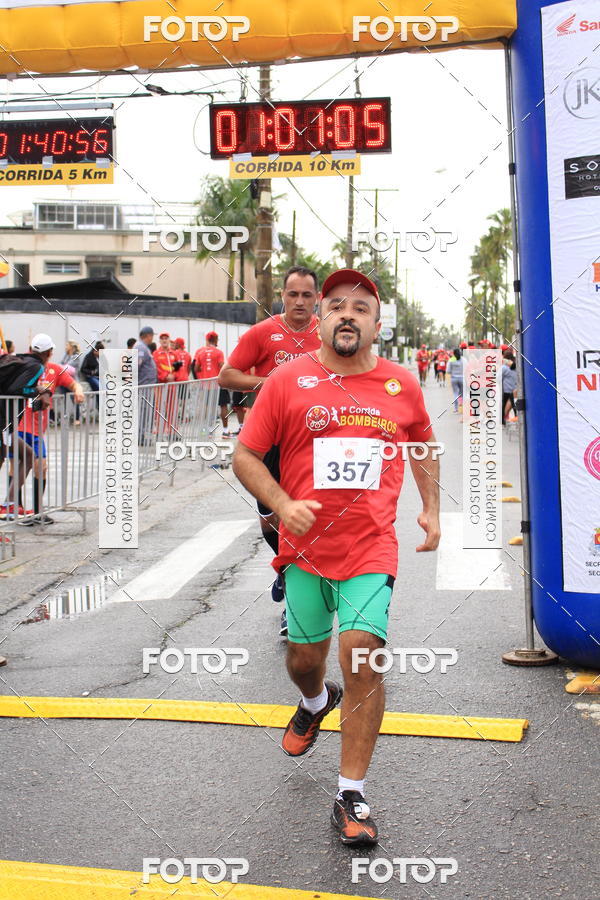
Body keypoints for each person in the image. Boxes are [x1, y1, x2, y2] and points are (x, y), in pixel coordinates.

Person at [233, 267, 440, 846]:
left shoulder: (401, 385)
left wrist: (431, 509)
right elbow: (245, 455)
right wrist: (280, 500)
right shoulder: (287, 381)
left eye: (361, 307)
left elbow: (422, 444)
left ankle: (352, 791)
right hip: (305, 551)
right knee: (304, 660)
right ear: (320, 319)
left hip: (371, 547)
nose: (347, 314)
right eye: (336, 306)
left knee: (363, 654)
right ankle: (314, 701)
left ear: (377, 324)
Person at [219, 265, 322, 636]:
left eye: (306, 295)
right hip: (266, 442)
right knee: (272, 519)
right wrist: (271, 382)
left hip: (312, 442)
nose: (299, 301)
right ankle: (283, 566)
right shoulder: (263, 333)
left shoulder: (325, 335)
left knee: (307, 520)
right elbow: (227, 375)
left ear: (317, 299)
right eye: (292, 294)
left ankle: (294, 601)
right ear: (283, 295)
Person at [17, 334, 84, 525]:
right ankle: (18, 510)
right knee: (17, 468)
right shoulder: (23, 368)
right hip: (19, 426)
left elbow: (73, 382)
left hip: (38, 430)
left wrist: (78, 391)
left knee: (41, 467)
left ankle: (38, 512)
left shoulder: (54, 370)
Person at [193, 331, 242, 437]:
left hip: (206, 384)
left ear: (207, 340)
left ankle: (208, 431)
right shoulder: (218, 352)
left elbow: (196, 368)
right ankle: (225, 431)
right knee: (223, 406)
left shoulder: (200, 352)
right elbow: (221, 366)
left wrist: (205, 371)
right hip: (218, 384)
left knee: (206, 407)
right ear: (215, 340)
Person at [134, 326, 158, 445]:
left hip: (146, 385)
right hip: (143, 386)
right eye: (152, 336)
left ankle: (142, 435)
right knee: (143, 412)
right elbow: (136, 366)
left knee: (146, 411)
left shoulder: (142, 347)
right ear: (148, 335)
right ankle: (140, 436)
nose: (152, 338)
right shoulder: (141, 348)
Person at [60, 340, 82, 424]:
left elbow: (67, 367)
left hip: (73, 381)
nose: (66, 347)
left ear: (71, 346)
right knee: (64, 400)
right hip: (64, 380)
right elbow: (60, 365)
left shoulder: (76, 356)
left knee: (74, 400)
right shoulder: (65, 355)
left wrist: (62, 367)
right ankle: (64, 418)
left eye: (67, 345)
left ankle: (77, 419)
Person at [502, 352, 517, 425]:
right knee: (513, 404)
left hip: (508, 389)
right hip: (514, 389)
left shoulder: (504, 367)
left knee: (507, 404)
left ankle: (503, 419)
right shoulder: (516, 365)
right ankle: (515, 417)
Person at [447, 347, 464, 413]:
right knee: (461, 393)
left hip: (454, 378)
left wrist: (453, 372)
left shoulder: (451, 360)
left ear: (453, 353)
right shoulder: (463, 359)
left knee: (455, 393)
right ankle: (461, 403)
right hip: (462, 378)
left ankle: (456, 409)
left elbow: (448, 371)